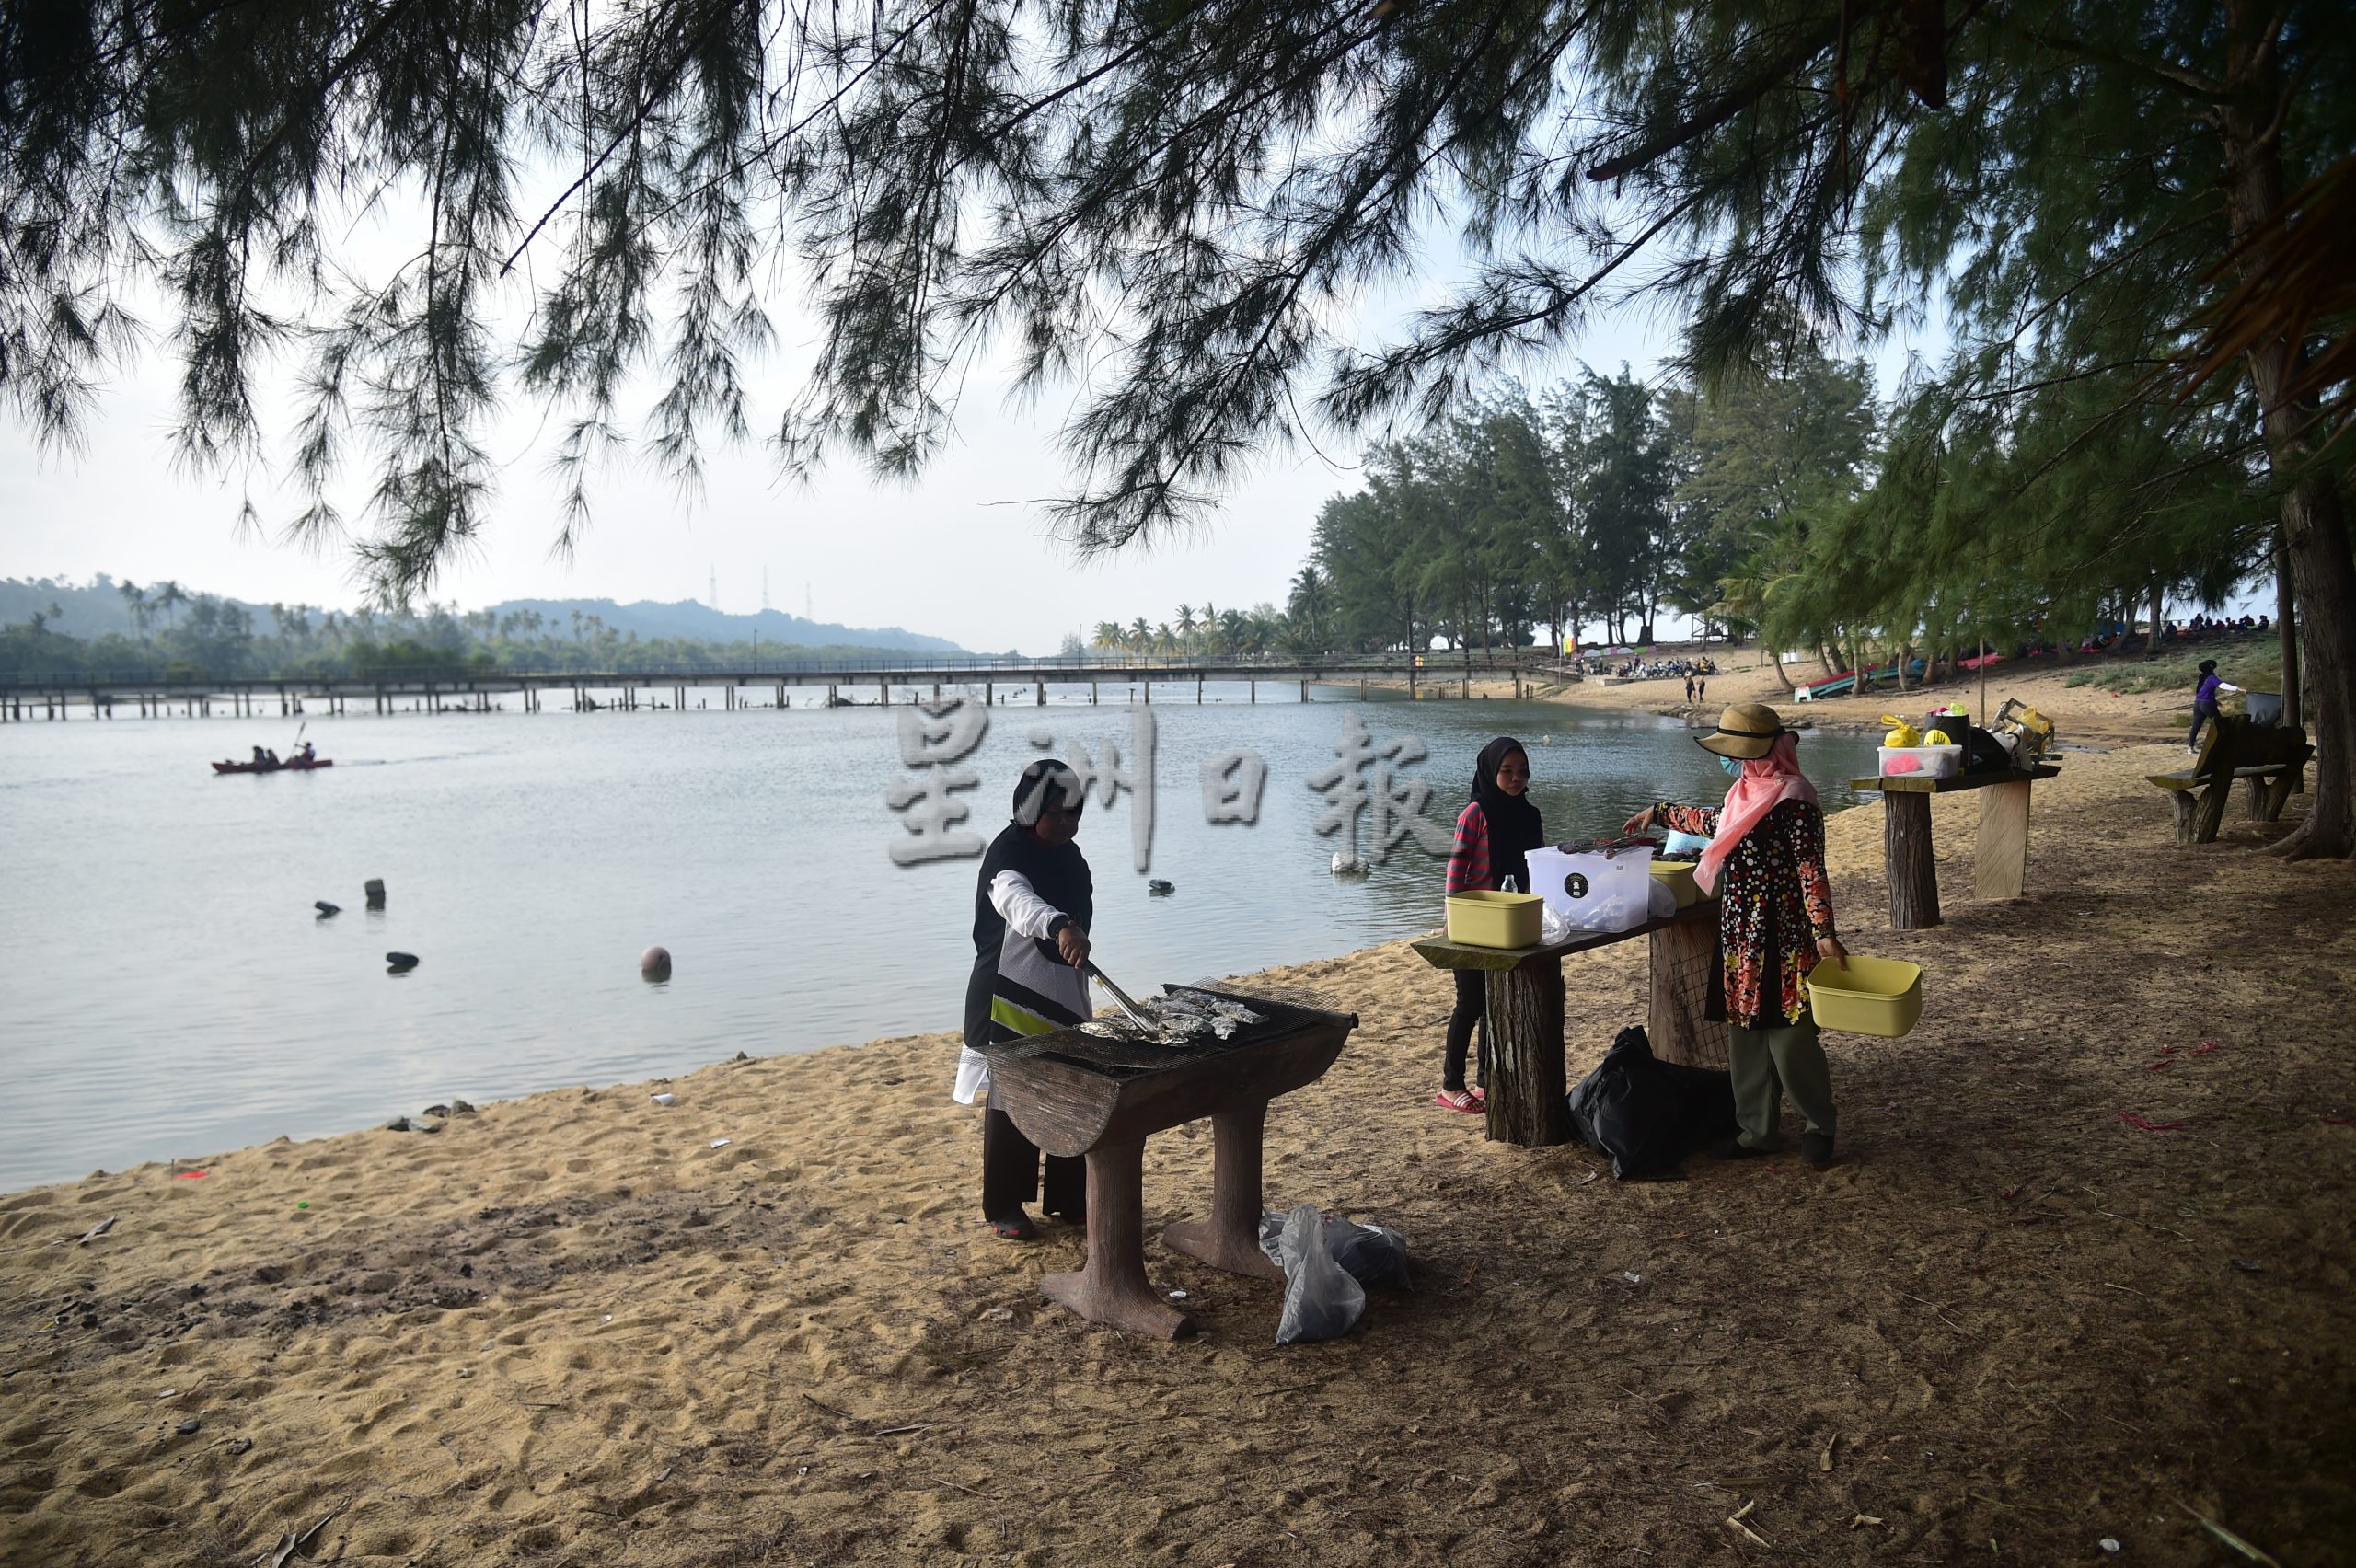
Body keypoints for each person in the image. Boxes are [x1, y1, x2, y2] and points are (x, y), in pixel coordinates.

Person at [1624, 702, 1847, 1169]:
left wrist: (1823, 929)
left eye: (1739, 754)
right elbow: (1712, 823)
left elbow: (1811, 870)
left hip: (1786, 939)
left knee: (1792, 1042)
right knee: (1744, 1041)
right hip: (1741, 939)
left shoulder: (1795, 800)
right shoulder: (1741, 795)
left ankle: (1818, 1125)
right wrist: (1660, 812)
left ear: (1761, 752)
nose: (1734, 762)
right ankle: (1757, 1131)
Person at [958, 760, 1095, 1239]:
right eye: (1057, 813)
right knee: (1011, 1098)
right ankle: (1005, 1208)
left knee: (1074, 1092)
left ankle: (1069, 1200)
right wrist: (1061, 925)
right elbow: (1020, 905)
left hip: (1063, 988)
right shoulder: (1007, 855)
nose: (1067, 823)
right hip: (1009, 991)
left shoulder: (1071, 855)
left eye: (1074, 813)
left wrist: (1075, 934)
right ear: (1030, 808)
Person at [1439, 737, 1544, 1113]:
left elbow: (1537, 867)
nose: (1516, 779)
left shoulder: (1530, 814)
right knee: (1470, 1003)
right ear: (1489, 771)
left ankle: (1485, 1080)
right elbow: (1456, 869)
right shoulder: (1476, 812)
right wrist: (1453, 919)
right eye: (1506, 771)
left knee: (1494, 1000)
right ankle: (1451, 1085)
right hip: (1473, 922)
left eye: (1522, 772)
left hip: (1510, 921)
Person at [2189, 660, 2241, 754]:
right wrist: (2238, 689)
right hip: (2207, 704)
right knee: (2221, 724)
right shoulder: (2212, 678)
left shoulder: (2202, 678)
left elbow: (2201, 691)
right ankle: (2225, 747)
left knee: (2196, 726)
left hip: (2197, 704)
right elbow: (2222, 685)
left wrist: (2215, 701)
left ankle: (2190, 748)